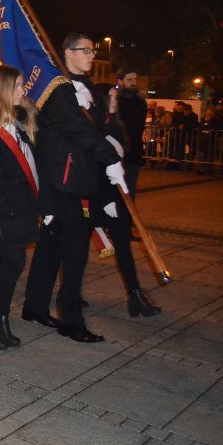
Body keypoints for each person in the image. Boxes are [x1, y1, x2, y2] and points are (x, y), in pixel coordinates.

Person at [21, 33, 124, 343]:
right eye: (86, 50)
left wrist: (111, 145)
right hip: (61, 179)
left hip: (77, 177)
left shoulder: (86, 89)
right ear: (67, 53)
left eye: (93, 51)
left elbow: (100, 127)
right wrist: (108, 159)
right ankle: (70, 319)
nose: (92, 56)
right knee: (76, 249)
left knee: (52, 243)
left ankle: (35, 306)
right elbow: (75, 130)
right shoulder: (57, 88)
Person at [0, 66, 46, 349]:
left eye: (23, 85)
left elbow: (32, 167)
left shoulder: (19, 123)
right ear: (3, 88)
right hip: (2, 210)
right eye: (17, 86)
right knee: (13, 263)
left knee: (14, 264)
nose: (23, 90)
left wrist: (43, 206)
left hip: (20, 206)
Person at [90, 83, 161, 318]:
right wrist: (106, 198)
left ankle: (135, 294)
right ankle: (68, 294)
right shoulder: (92, 127)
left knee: (123, 245)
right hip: (95, 198)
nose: (114, 100)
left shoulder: (116, 126)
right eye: (110, 97)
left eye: (115, 97)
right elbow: (94, 169)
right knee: (73, 249)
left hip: (117, 196)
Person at [116, 69, 147, 200]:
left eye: (135, 80)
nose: (133, 83)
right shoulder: (115, 100)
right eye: (129, 80)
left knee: (130, 190)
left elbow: (137, 128)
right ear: (120, 81)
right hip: (116, 152)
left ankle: (128, 218)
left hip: (133, 152)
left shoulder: (140, 102)